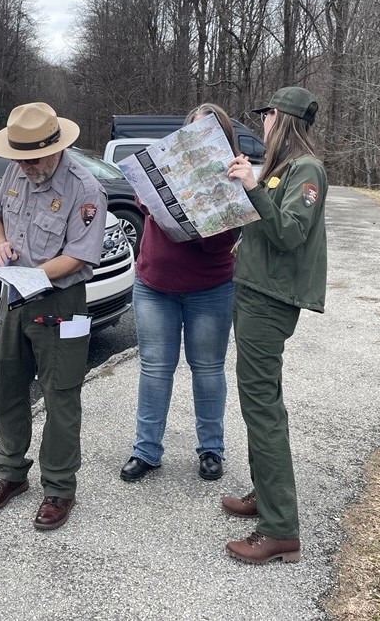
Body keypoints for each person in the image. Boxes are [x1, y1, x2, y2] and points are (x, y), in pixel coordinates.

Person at [0, 102, 107, 531]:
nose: (26, 166)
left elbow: (77, 256)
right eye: (19, 158)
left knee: (61, 395)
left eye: (33, 158)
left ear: (56, 147)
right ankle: (11, 473)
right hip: (13, 296)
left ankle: (58, 487)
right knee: (8, 385)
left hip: (62, 304)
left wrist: (32, 273)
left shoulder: (85, 189)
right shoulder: (16, 170)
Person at [222, 86, 328, 565]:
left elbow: (289, 233)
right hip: (255, 294)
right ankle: (267, 498)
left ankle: (280, 529)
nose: (261, 123)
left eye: (266, 116)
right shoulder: (280, 169)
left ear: (282, 119)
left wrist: (250, 189)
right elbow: (267, 232)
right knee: (261, 404)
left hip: (269, 304)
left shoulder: (306, 170)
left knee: (263, 411)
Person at [119, 103, 238, 483]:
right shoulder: (166, 160)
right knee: (154, 369)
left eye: (209, 131)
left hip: (210, 286)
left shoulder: (235, 175)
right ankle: (146, 450)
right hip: (155, 284)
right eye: (194, 130)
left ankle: (210, 450)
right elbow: (142, 199)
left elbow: (222, 245)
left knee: (207, 370)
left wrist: (199, 220)